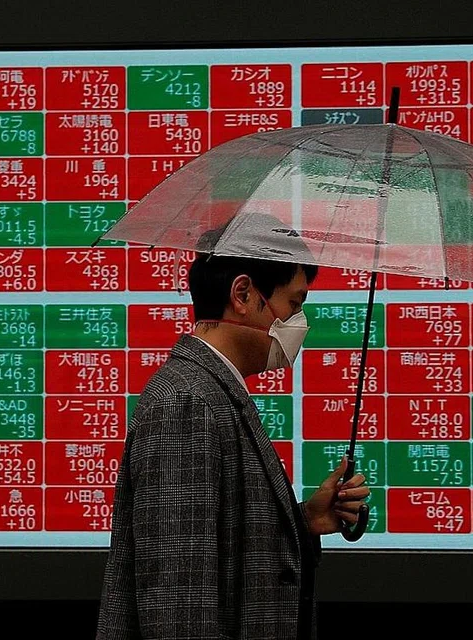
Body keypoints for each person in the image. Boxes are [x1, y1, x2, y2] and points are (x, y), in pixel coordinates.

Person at [95, 224, 370, 640]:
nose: (299, 323)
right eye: (294, 304)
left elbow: (224, 544)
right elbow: (180, 605)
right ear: (242, 295)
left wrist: (304, 521)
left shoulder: (210, 391)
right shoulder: (187, 403)